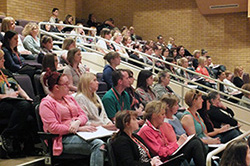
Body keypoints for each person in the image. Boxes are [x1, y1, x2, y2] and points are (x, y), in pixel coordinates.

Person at [39, 69, 105, 166]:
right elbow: (53, 128)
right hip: (61, 139)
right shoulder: (46, 104)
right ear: (56, 87)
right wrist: (76, 128)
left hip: (78, 133)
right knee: (98, 144)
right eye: (65, 84)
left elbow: (83, 115)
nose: (69, 86)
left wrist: (77, 122)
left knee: (110, 140)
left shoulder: (69, 98)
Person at [137, 100, 207, 165]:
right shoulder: (146, 130)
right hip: (162, 161)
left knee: (196, 140)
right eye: (162, 114)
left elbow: (167, 144)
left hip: (168, 155)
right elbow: (160, 153)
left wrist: (177, 144)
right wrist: (178, 144)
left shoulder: (158, 127)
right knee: (195, 144)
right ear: (154, 115)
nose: (164, 116)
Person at [0, 49, 35, 155]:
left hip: (15, 101)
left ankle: (31, 146)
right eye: (1, 58)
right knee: (23, 106)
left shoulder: (6, 72)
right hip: (3, 102)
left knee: (34, 107)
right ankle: (7, 135)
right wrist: (7, 95)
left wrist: (27, 97)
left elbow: (18, 88)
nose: (4, 60)